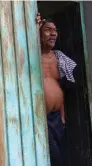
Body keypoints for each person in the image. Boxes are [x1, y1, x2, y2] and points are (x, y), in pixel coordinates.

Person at [36, 13, 77, 166]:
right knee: (55, 158)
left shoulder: (59, 58)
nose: (53, 33)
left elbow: (61, 89)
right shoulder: (32, 55)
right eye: (47, 29)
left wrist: (62, 116)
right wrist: (34, 27)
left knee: (62, 157)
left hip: (57, 119)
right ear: (39, 32)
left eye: (55, 30)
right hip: (42, 118)